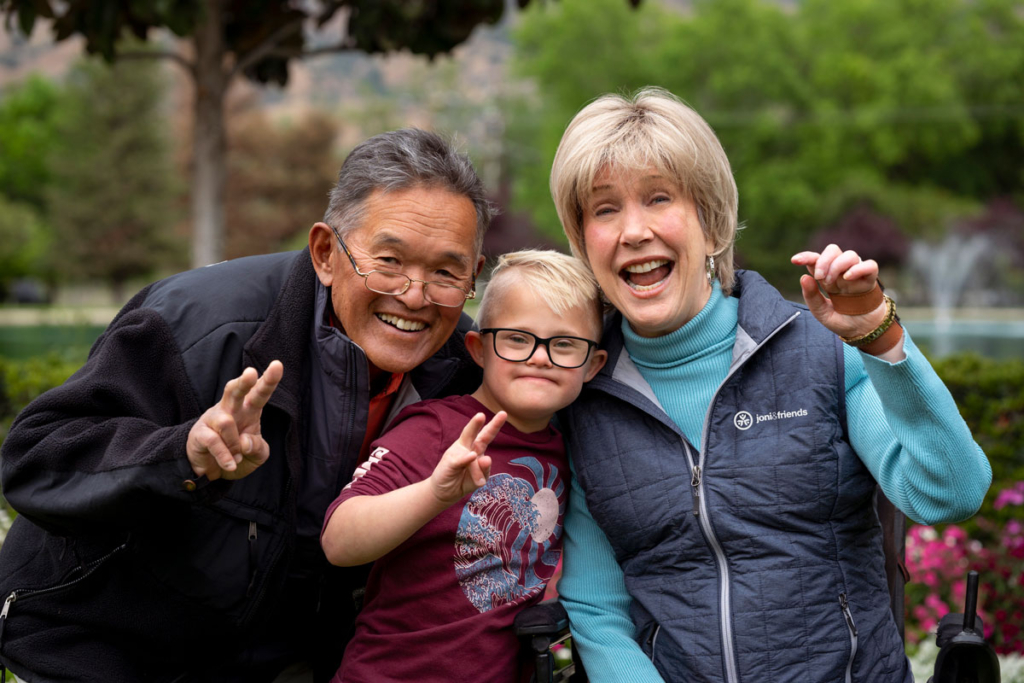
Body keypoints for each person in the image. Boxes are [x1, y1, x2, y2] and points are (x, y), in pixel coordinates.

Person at [0, 128, 492, 683]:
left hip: (279, 658)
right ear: (326, 253)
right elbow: (34, 461)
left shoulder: (465, 368)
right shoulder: (198, 324)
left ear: (473, 277)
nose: (415, 295)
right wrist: (183, 456)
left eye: (446, 273)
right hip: (103, 644)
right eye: (389, 260)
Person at [547, 88, 993, 683]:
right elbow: (598, 611)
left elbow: (951, 491)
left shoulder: (823, 353)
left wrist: (881, 341)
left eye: (659, 198)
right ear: (584, 242)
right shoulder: (583, 393)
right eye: (604, 210)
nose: (633, 230)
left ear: (711, 222)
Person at [319, 249, 607, 683]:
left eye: (565, 343)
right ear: (478, 348)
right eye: (516, 338)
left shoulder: (575, 453)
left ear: (592, 365)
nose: (541, 356)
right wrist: (434, 494)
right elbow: (338, 542)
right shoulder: (435, 429)